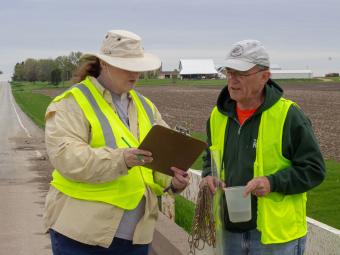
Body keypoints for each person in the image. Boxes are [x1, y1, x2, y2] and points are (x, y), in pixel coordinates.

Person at [43, 29, 190, 255]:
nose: (135, 74)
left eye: (138, 68)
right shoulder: (73, 102)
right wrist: (121, 159)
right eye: (126, 67)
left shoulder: (146, 107)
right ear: (104, 64)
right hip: (82, 237)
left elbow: (159, 161)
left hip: (136, 238)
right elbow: (66, 158)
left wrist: (174, 181)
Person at [201, 39, 325, 255]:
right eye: (229, 72)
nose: (232, 80)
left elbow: (314, 169)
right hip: (230, 232)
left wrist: (272, 182)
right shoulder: (217, 116)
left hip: (275, 239)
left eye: (241, 73)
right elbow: (209, 156)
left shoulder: (289, 116)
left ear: (265, 76)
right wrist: (209, 174)